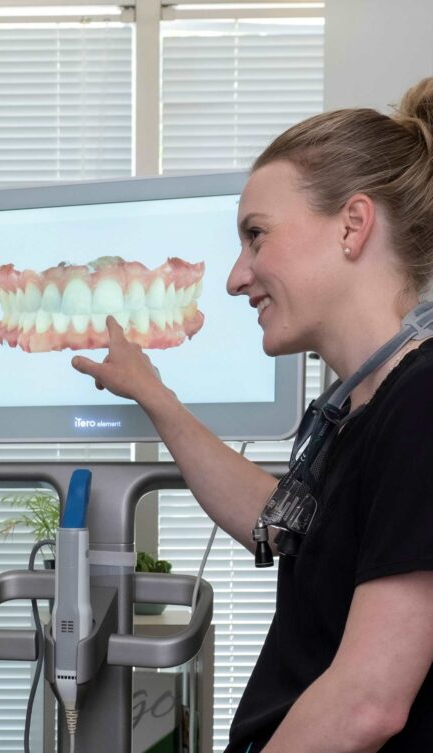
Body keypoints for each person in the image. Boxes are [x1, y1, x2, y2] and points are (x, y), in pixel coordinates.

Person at [73, 77, 433, 753]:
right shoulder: (359, 409)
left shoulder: (421, 403)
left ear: (353, 225)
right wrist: (155, 396)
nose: (237, 277)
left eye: (256, 236)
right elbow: (289, 527)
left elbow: (368, 703)